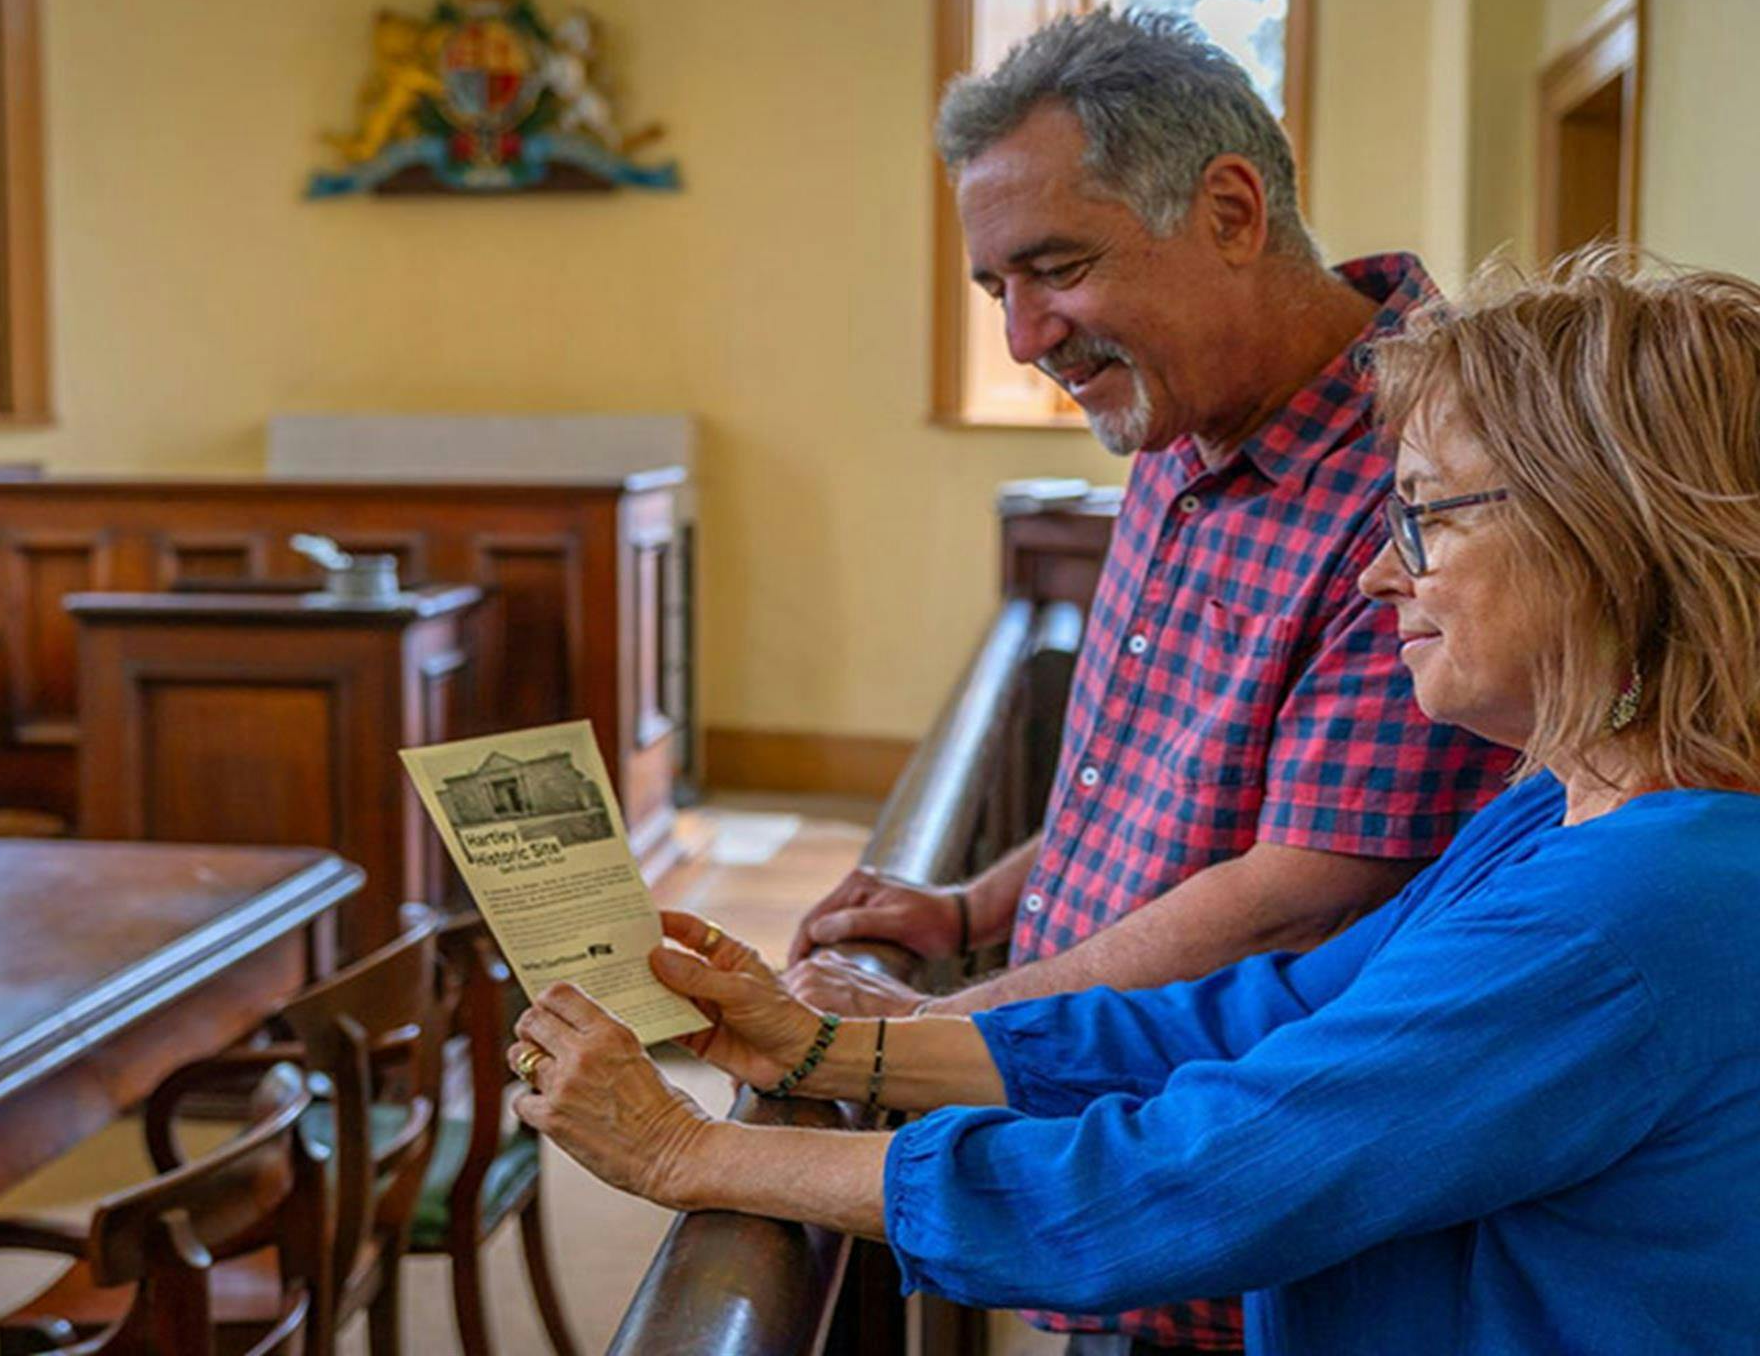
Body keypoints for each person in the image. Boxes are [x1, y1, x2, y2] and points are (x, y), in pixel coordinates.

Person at [508, 256, 1760, 1354]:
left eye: (1424, 515)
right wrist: (830, 1048)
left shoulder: (1630, 906)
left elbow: (1193, 1179)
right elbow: (1260, 1014)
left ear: (1606, 538)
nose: (1382, 570)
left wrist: (693, 1155)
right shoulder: (1562, 801)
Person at [788, 6, 1513, 1353]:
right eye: (993, 288)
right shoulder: (1179, 414)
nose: (1020, 336)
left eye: (1054, 268)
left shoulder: (1429, 458)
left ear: (1231, 209)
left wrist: (932, 1036)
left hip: (1238, 1231)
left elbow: (1292, 901)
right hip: (1106, 1178)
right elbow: (1144, 774)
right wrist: (971, 902)